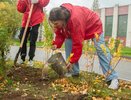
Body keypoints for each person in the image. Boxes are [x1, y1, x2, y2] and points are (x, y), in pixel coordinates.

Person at [48, 3, 119, 89]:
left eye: (56, 23)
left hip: (93, 26)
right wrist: (56, 44)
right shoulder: (61, 18)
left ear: (62, 19)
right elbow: (60, 34)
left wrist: (72, 60)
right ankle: (74, 72)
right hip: (77, 27)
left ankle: (112, 78)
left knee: (101, 50)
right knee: (68, 43)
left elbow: (78, 43)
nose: (55, 26)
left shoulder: (75, 19)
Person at [17, 0, 49, 66]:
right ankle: (22, 57)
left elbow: (45, 2)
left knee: (32, 39)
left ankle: (31, 59)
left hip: (36, 19)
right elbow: (20, 9)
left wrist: (38, 1)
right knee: (22, 37)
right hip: (26, 19)